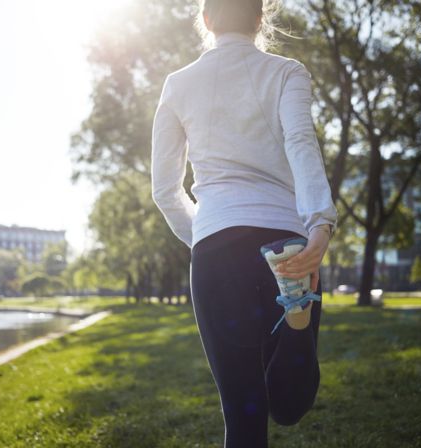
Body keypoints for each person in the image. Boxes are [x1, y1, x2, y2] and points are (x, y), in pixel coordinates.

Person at [151, 0, 338, 446]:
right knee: (290, 407)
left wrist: (203, 236)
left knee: (242, 417)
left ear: (207, 19)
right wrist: (320, 225)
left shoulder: (177, 85)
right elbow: (300, 142)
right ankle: (296, 319)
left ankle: (293, 319)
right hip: (287, 249)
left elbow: (164, 189)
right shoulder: (287, 72)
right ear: (260, 18)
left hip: (217, 247)